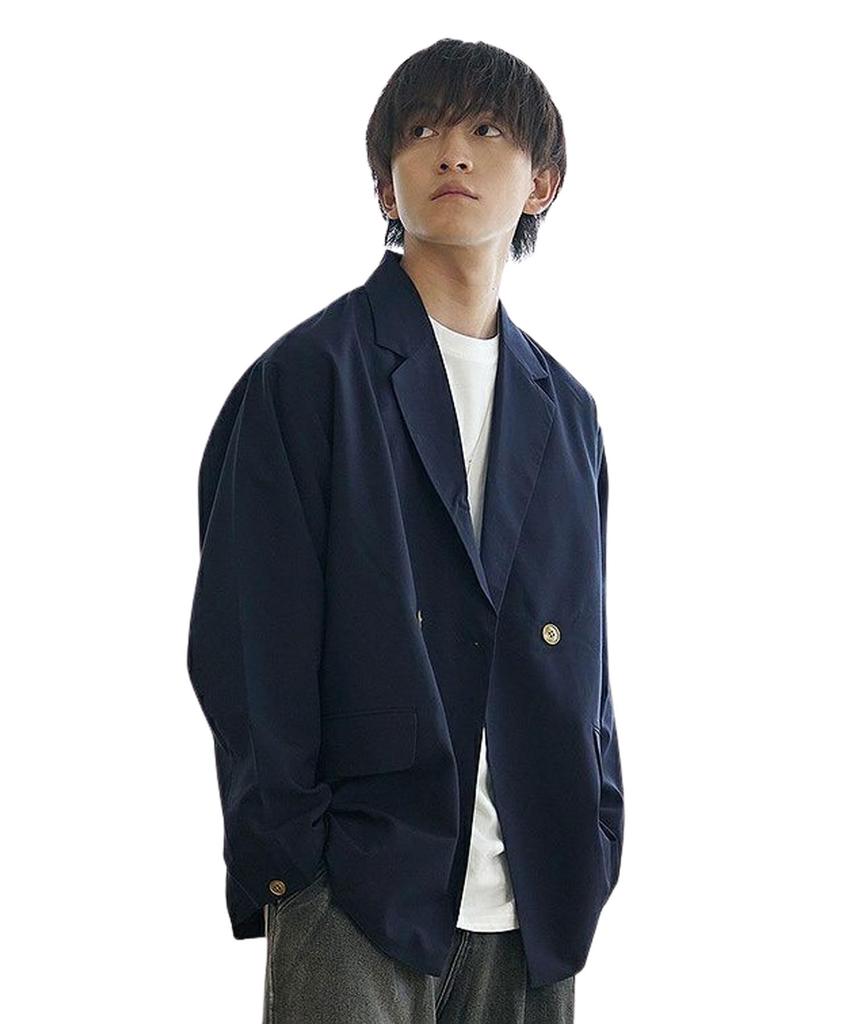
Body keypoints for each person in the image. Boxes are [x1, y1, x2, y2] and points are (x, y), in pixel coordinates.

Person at [187, 36, 624, 1024]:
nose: (451, 151)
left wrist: (594, 826)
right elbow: (246, 639)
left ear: (542, 181)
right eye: (420, 130)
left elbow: (584, 657)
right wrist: (293, 860)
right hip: (358, 883)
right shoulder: (310, 377)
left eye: (488, 129)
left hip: (533, 897)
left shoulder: (567, 413)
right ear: (386, 186)